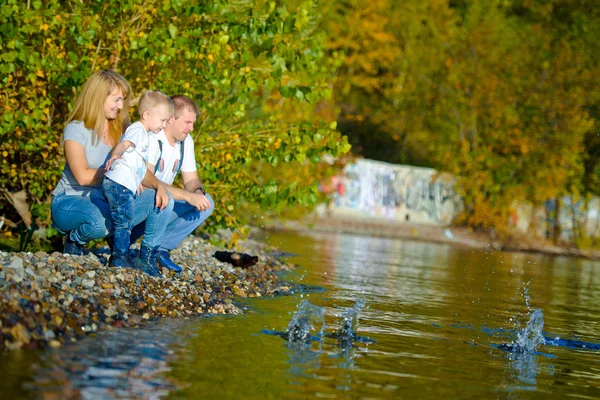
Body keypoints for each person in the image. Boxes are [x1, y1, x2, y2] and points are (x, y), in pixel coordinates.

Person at [50, 70, 173, 276]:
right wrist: (120, 174)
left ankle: (146, 258)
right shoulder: (75, 129)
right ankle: (74, 239)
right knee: (101, 222)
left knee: (161, 200)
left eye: (123, 99)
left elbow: (137, 167)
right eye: (117, 99)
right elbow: (82, 175)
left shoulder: (124, 129)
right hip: (71, 199)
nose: (121, 106)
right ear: (98, 97)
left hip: (109, 198)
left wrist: (159, 185)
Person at [130, 95, 214, 272]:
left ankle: (161, 249)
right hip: (137, 204)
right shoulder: (152, 137)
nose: (191, 128)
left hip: (161, 204)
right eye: (187, 122)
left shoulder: (185, 141)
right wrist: (187, 196)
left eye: (193, 123)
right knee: (165, 196)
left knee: (207, 202)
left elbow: (191, 179)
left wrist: (197, 193)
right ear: (170, 120)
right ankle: (136, 247)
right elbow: (146, 180)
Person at [102, 90, 174, 274]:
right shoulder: (136, 130)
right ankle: (119, 258)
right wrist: (115, 153)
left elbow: (137, 162)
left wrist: (137, 180)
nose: (164, 125)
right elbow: (125, 144)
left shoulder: (146, 135)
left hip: (125, 183)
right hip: (118, 183)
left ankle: (121, 254)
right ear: (147, 115)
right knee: (123, 222)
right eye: (162, 120)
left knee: (124, 220)